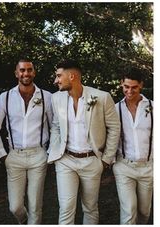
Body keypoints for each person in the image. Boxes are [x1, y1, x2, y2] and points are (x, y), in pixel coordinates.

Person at [47, 59, 120, 224]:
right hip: (65, 161)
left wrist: (106, 159)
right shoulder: (56, 98)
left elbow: (114, 128)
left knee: (90, 207)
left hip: (92, 161)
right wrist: (55, 152)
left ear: (71, 76)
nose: (55, 80)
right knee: (66, 207)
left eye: (59, 76)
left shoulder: (101, 97)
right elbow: (56, 126)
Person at [0, 59, 53, 224]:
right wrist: (4, 155)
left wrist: (49, 153)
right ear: (16, 73)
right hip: (14, 156)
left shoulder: (47, 97)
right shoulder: (5, 97)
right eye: (22, 70)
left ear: (34, 72)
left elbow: (56, 127)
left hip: (38, 155)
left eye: (29, 70)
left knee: (35, 205)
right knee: (15, 207)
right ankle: (24, 221)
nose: (26, 73)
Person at [112, 67, 153, 224]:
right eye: (126, 86)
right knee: (129, 210)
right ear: (121, 84)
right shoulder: (114, 109)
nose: (129, 91)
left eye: (134, 87)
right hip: (124, 167)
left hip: (148, 167)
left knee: (144, 211)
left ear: (141, 85)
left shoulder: (154, 107)